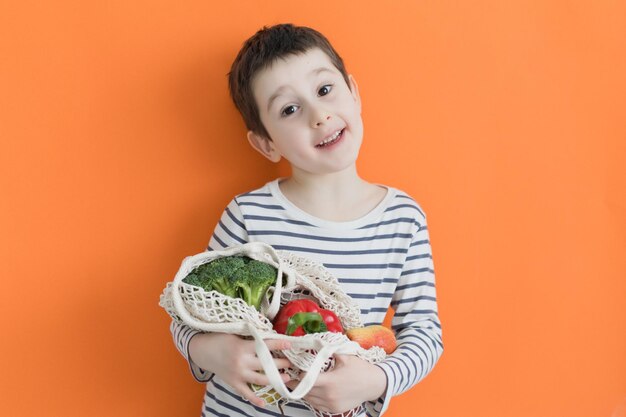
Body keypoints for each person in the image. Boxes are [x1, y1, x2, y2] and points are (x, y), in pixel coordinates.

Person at [170, 23, 443, 417]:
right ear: (266, 143)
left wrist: (374, 382)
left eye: (325, 90)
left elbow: (424, 333)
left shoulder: (403, 219)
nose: (319, 115)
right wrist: (209, 351)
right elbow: (186, 309)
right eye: (289, 109)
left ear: (354, 92)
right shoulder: (248, 214)